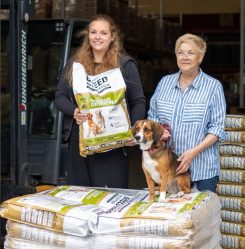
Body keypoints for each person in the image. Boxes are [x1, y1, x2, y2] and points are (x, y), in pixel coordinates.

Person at [55, 14, 145, 188]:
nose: (97, 37)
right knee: (80, 196)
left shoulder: (125, 65)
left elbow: (138, 101)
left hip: (114, 142)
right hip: (81, 141)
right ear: (88, 35)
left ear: (112, 37)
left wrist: (133, 130)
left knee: (109, 197)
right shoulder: (75, 64)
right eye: (93, 32)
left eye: (103, 33)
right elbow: (60, 96)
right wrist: (73, 111)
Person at [147, 33, 227, 193]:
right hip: (168, 168)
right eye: (180, 52)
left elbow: (217, 128)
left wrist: (193, 153)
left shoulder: (213, 87)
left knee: (200, 216)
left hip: (201, 169)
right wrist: (158, 135)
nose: (185, 57)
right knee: (170, 215)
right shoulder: (164, 83)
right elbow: (152, 118)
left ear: (200, 58)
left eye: (191, 53)